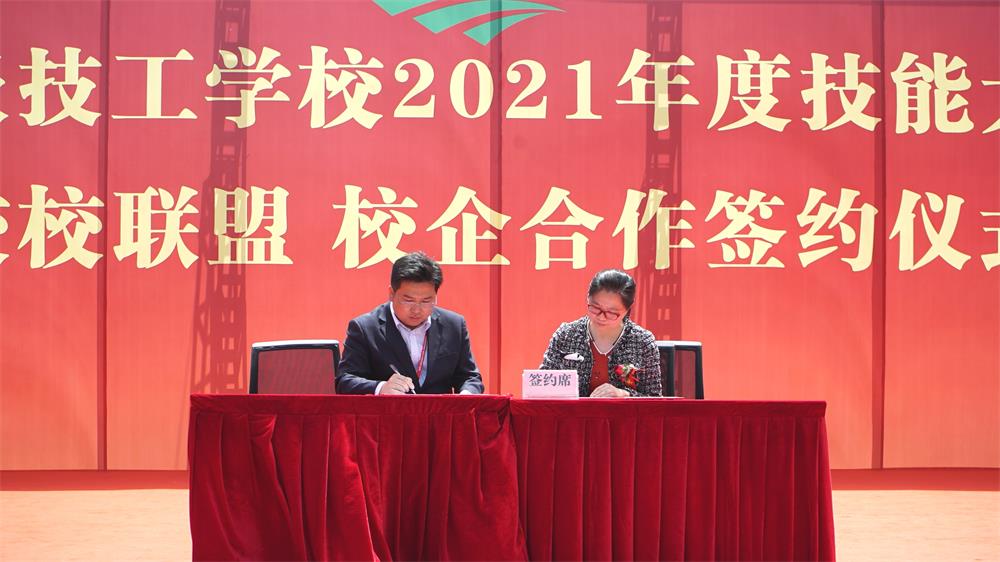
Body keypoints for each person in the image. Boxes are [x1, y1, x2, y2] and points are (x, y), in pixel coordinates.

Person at [336, 252, 484, 395]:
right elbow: (344, 380)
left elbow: (470, 377)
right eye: (408, 300)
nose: (416, 310)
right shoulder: (365, 328)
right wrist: (380, 387)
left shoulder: (454, 325)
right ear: (391, 294)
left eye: (426, 301)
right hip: (389, 411)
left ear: (436, 296)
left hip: (439, 411)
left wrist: (467, 394)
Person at [539, 269, 662, 397]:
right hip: (570, 410)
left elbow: (655, 398)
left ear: (627, 310)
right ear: (588, 298)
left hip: (623, 411)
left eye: (611, 312)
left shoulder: (642, 342)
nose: (601, 317)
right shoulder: (566, 335)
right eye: (595, 308)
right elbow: (541, 387)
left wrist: (623, 394)